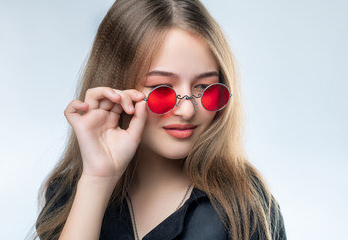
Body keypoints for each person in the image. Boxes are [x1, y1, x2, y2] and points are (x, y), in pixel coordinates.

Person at [34, 0, 287, 239]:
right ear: (117, 88)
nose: (187, 110)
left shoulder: (242, 207)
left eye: (204, 88)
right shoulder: (68, 194)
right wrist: (98, 179)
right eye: (161, 89)